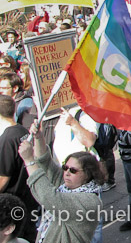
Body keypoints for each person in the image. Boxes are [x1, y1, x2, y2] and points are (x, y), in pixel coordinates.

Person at [18, 119, 106, 243]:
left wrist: (29, 161)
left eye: (73, 170)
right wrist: (38, 137)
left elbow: (49, 197)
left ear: (88, 175)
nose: (67, 173)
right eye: (65, 167)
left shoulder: (90, 202)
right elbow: (46, 163)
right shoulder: (67, 185)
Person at [0, 96, 37, 243]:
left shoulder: (7, 139)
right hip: (27, 202)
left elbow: (2, 179)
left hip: (14, 206)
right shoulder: (22, 130)